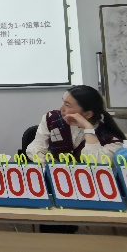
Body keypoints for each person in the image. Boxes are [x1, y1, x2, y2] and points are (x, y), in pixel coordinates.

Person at [26, 84, 126, 233]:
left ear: (87, 114)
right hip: (54, 185)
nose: (61, 109)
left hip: (88, 191)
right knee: (52, 223)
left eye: (67, 105)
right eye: (63, 102)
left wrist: (88, 129)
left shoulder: (111, 139)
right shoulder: (51, 119)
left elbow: (94, 164)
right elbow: (35, 147)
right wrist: (44, 162)